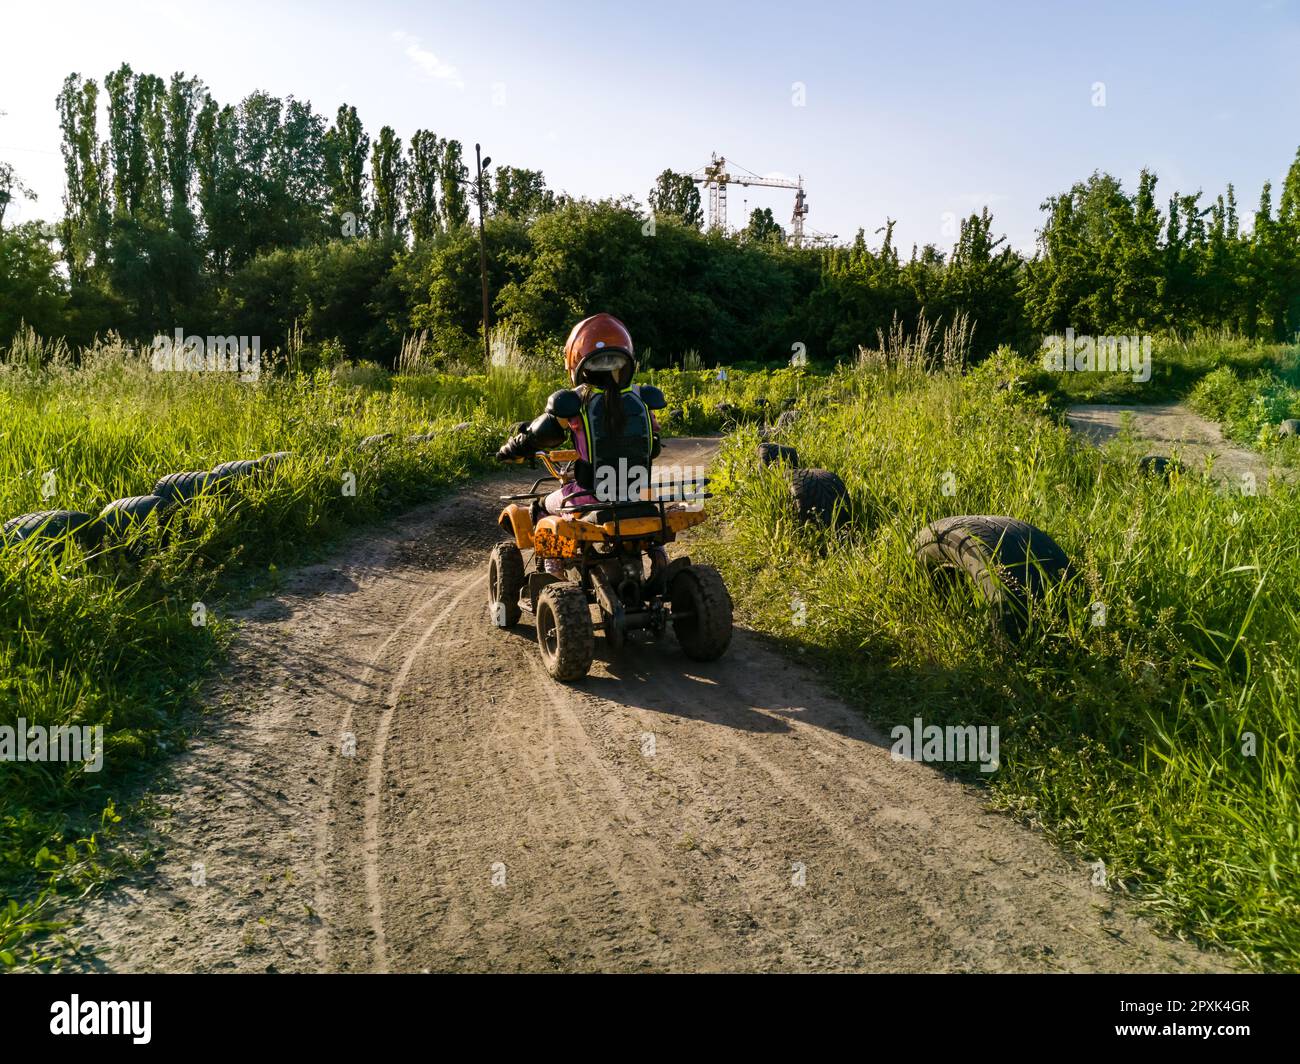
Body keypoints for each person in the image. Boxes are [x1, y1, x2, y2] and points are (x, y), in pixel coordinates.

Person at [496, 313, 669, 576]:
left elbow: (540, 435)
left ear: (577, 363)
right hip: (636, 491)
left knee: (542, 507)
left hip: (591, 495)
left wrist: (513, 449)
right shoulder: (642, 398)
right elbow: (652, 445)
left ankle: (553, 568)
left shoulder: (575, 402)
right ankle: (658, 555)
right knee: (648, 523)